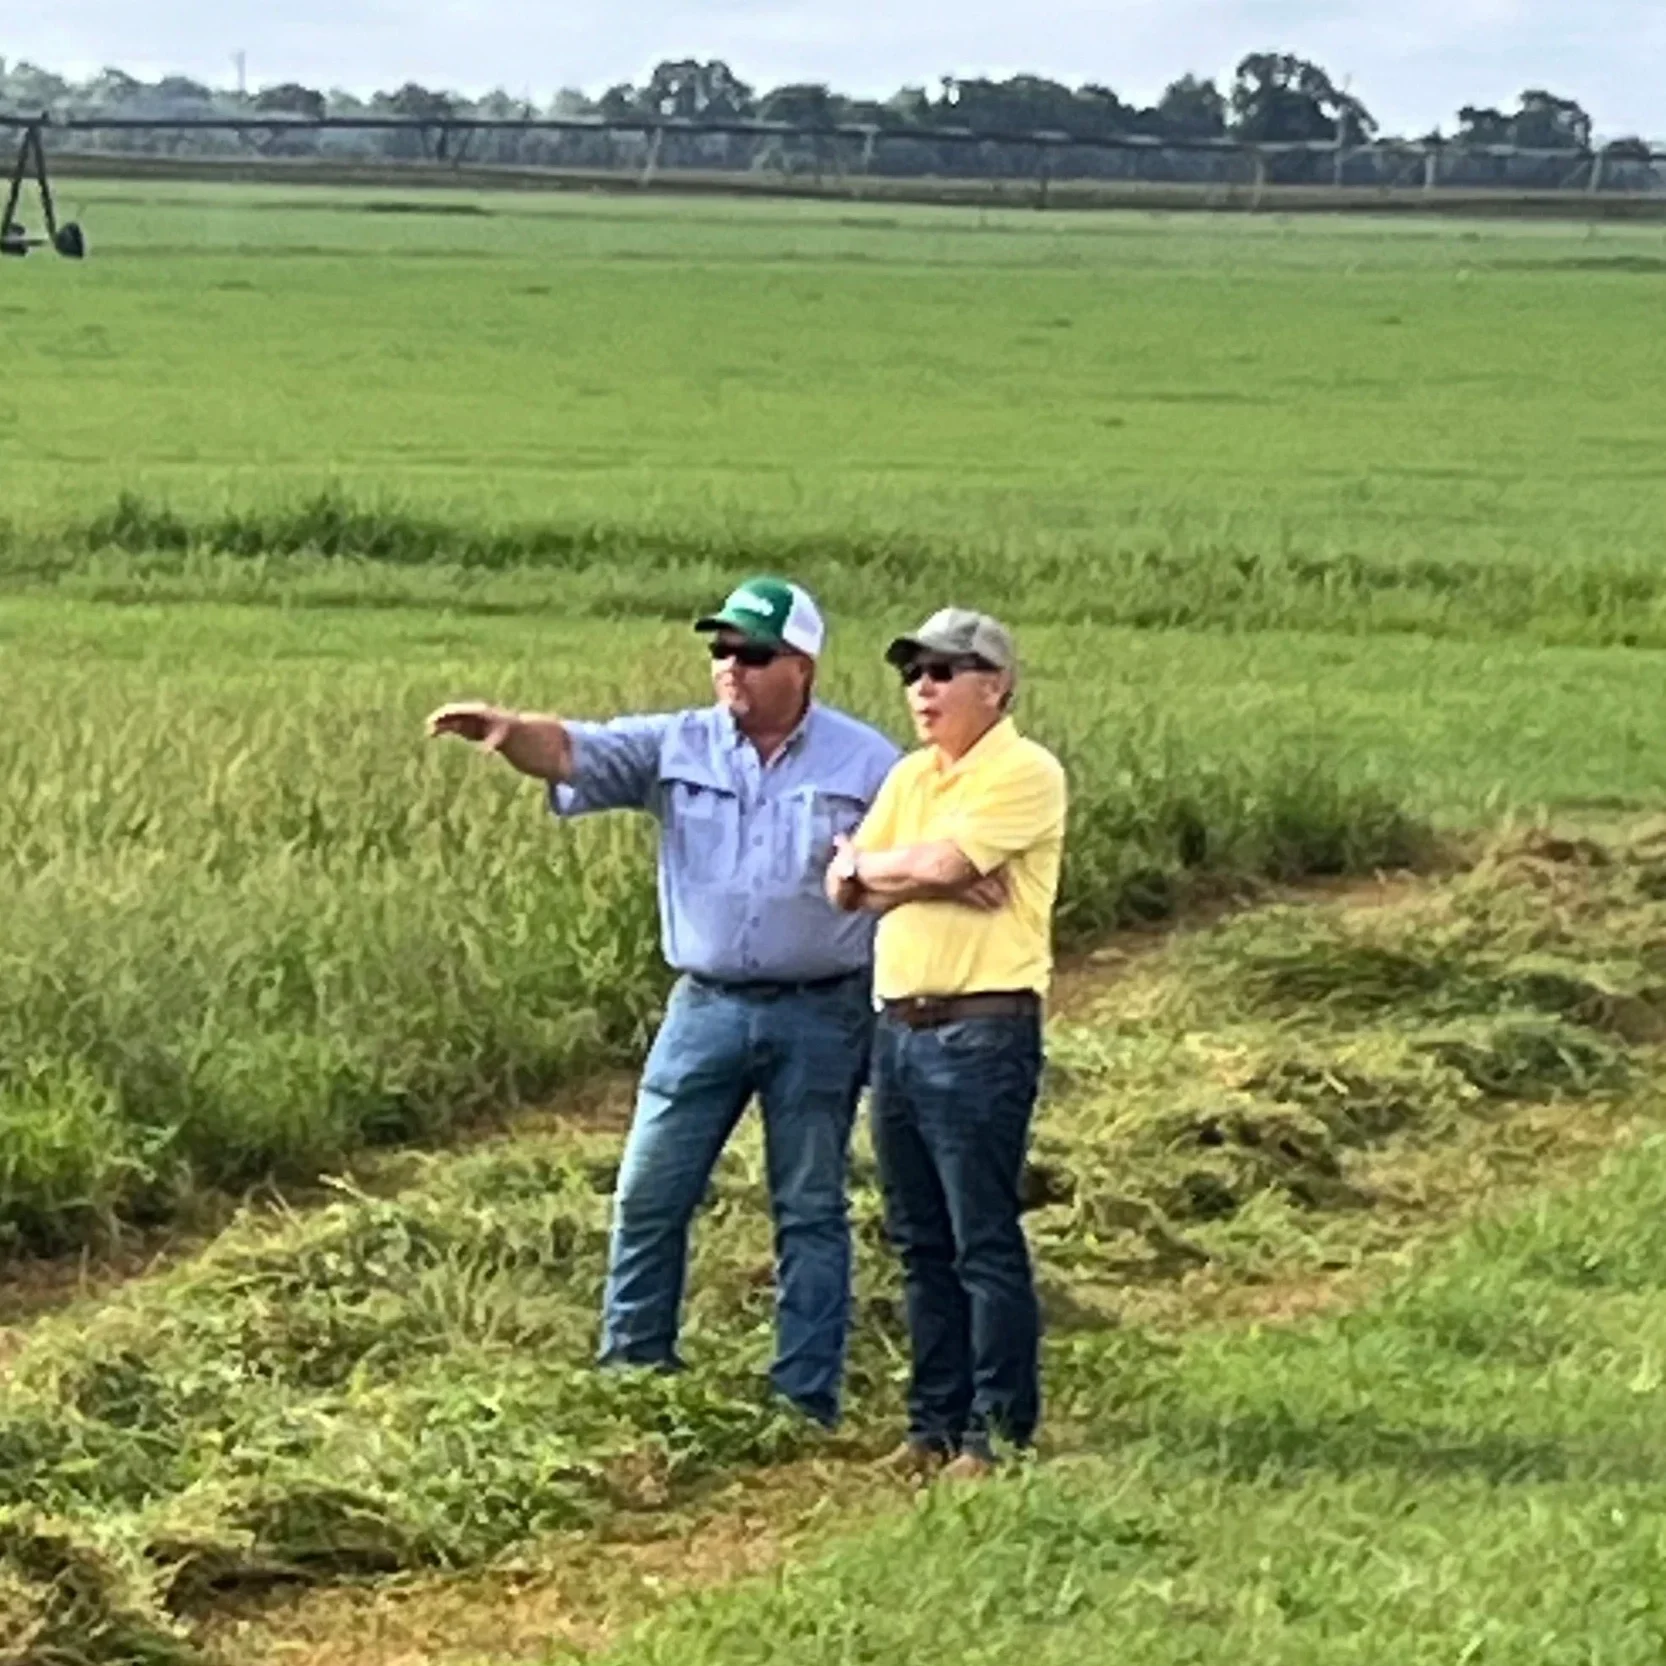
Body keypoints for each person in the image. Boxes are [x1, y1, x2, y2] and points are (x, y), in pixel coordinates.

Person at [428, 577, 901, 1428]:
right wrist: (509, 734)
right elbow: (576, 751)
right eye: (720, 650)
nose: (730, 667)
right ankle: (635, 1372)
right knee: (651, 1192)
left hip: (824, 1011)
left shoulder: (868, 764)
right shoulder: (677, 744)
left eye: (750, 653)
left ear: (801, 665)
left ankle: (803, 1397)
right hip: (706, 1006)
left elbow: (914, 864)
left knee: (808, 1205)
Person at [826, 607, 1067, 1478]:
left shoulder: (1026, 772)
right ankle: (931, 1427)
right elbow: (842, 884)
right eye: (913, 673)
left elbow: (933, 870)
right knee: (917, 1239)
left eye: (942, 672)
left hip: (981, 1030)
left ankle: (995, 1433)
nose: (921, 690)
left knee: (980, 1239)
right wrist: (881, 870)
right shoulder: (911, 777)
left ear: (994, 686)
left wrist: (884, 869)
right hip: (898, 1030)